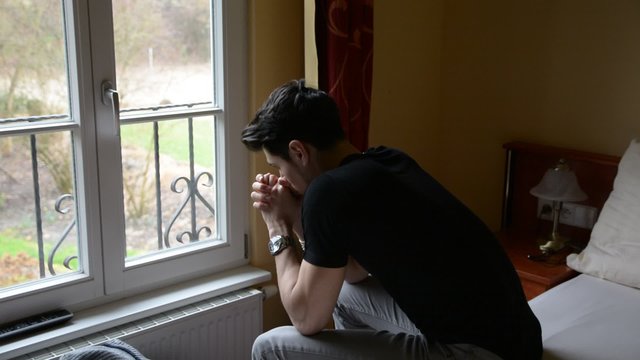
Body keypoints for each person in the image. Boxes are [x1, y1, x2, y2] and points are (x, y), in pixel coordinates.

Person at [241, 79, 542, 360]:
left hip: (476, 353)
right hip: (521, 342)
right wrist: (295, 216)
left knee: (269, 347)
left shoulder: (327, 192)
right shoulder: (387, 160)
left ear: (298, 151)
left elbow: (305, 318)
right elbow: (354, 273)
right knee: (345, 295)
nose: (282, 179)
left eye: (278, 167)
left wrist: (276, 226)